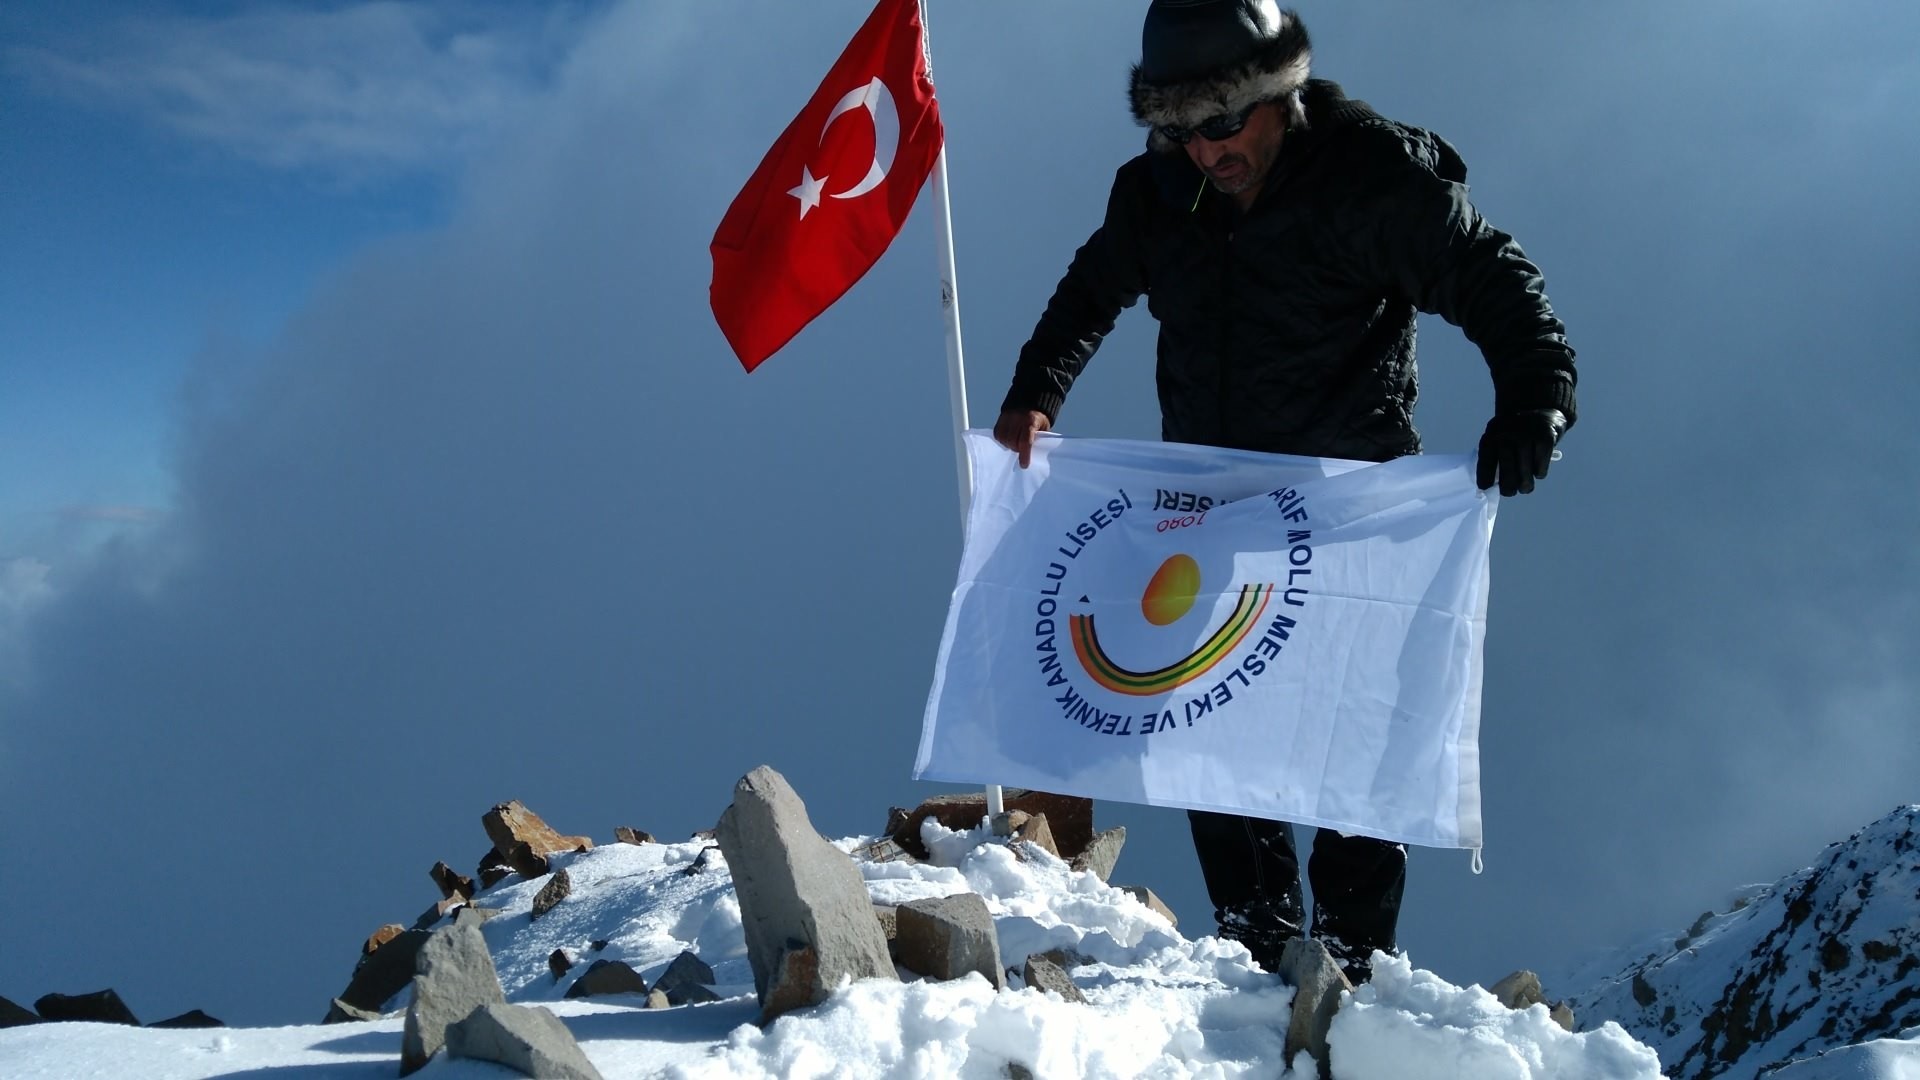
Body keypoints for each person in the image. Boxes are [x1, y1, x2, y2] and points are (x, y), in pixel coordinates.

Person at [992, 0, 1577, 983]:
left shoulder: (1368, 180)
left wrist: (1534, 399)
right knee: (1206, 718)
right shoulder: (1156, 194)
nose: (1204, 152)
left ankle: (1349, 963)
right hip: (1216, 506)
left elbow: (1493, 278)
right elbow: (1090, 289)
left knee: (1353, 736)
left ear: (1279, 95)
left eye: (1222, 125)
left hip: (1351, 505)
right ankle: (1259, 948)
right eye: (1176, 130)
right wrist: (1036, 391)